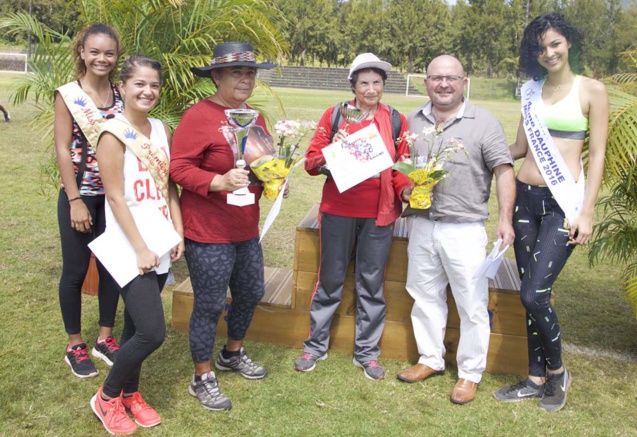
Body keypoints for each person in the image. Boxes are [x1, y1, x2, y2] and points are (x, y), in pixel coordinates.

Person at [494, 12, 608, 412]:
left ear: (569, 43)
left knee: (534, 292)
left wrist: (588, 212)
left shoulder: (591, 90)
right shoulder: (530, 91)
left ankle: (557, 374)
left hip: (564, 204)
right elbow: (520, 149)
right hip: (525, 197)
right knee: (532, 294)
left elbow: (596, 156)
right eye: (541, 48)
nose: (549, 52)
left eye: (555, 43)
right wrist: (477, 154)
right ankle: (534, 377)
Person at [396, 55, 516, 404]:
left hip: (465, 228)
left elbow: (504, 171)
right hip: (421, 224)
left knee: (472, 304)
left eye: (451, 78)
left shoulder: (484, 122)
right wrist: (405, 189)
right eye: (436, 78)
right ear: (426, 82)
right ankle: (430, 359)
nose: (443, 84)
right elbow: (401, 168)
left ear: (463, 81)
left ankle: (469, 374)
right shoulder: (413, 121)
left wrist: (505, 218)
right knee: (424, 295)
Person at [171, 42, 276, 411]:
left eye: (250, 72)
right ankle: (202, 377)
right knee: (210, 303)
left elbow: (263, 164)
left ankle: (232, 353)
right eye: (237, 72)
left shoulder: (257, 118)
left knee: (250, 292)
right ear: (216, 76)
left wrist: (275, 179)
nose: (246, 79)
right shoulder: (198, 116)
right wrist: (217, 182)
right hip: (208, 229)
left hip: (245, 227)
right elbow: (178, 167)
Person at [294, 53, 412, 380]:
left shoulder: (396, 120)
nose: (371, 89)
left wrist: (406, 191)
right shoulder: (336, 115)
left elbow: (402, 168)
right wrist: (332, 148)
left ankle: (367, 353)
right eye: (364, 83)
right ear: (353, 85)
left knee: (371, 282)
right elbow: (311, 162)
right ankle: (315, 346)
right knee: (329, 279)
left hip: (380, 214)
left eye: (377, 83)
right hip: (339, 210)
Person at [90, 54, 184, 435]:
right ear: (123, 87)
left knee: (133, 328)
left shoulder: (161, 129)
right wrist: (141, 248)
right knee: (152, 332)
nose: (148, 91)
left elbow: (169, 186)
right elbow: (114, 199)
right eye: (139, 84)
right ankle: (107, 396)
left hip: (160, 239)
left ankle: (131, 393)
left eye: (154, 85)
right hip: (132, 245)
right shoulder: (112, 133)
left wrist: (177, 231)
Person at [53, 23, 123, 378]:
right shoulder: (68, 94)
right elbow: (63, 149)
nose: (102, 58)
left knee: (112, 266)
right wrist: (75, 198)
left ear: (116, 56)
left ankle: (105, 337)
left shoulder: (122, 92)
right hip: (82, 193)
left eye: (108, 53)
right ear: (81, 51)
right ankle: (75, 344)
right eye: (94, 51)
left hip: (114, 198)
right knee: (76, 270)